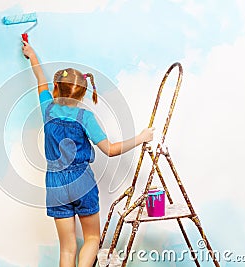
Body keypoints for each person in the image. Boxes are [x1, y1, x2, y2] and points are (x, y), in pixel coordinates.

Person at [22, 41, 154, 267]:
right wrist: (141, 138)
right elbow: (110, 150)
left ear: (56, 87)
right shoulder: (86, 118)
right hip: (82, 181)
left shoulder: (47, 108)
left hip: (55, 183)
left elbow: (40, 81)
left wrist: (32, 54)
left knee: (67, 248)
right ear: (83, 94)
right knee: (92, 238)